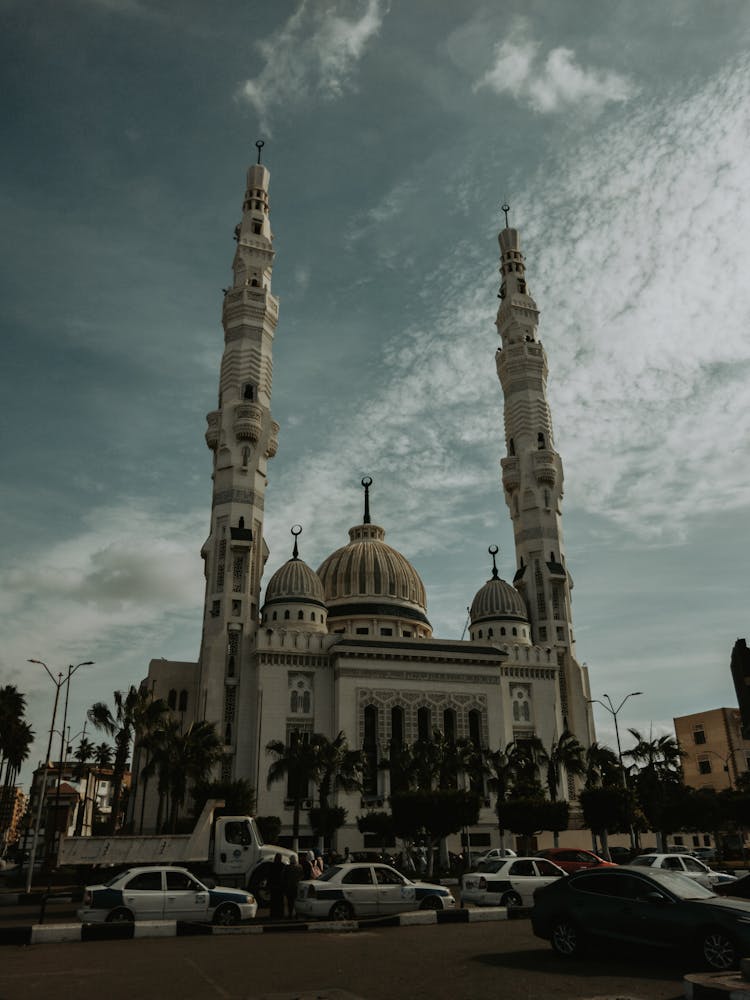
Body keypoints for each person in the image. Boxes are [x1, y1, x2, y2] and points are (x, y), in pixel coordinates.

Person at [283, 853, 303, 918]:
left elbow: (284, 877)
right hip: (297, 886)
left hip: (289, 887)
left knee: (290, 902)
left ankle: (290, 914)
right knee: (296, 901)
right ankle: (297, 914)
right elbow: (302, 876)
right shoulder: (299, 867)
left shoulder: (287, 868)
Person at [268, 852, 285, 920]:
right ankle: (280, 914)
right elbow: (284, 876)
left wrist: (268, 885)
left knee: (273, 901)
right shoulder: (283, 865)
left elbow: (269, 876)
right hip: (280, 886)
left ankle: (273, 914)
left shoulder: (272, 866)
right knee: (280, 901)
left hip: (273, 886)